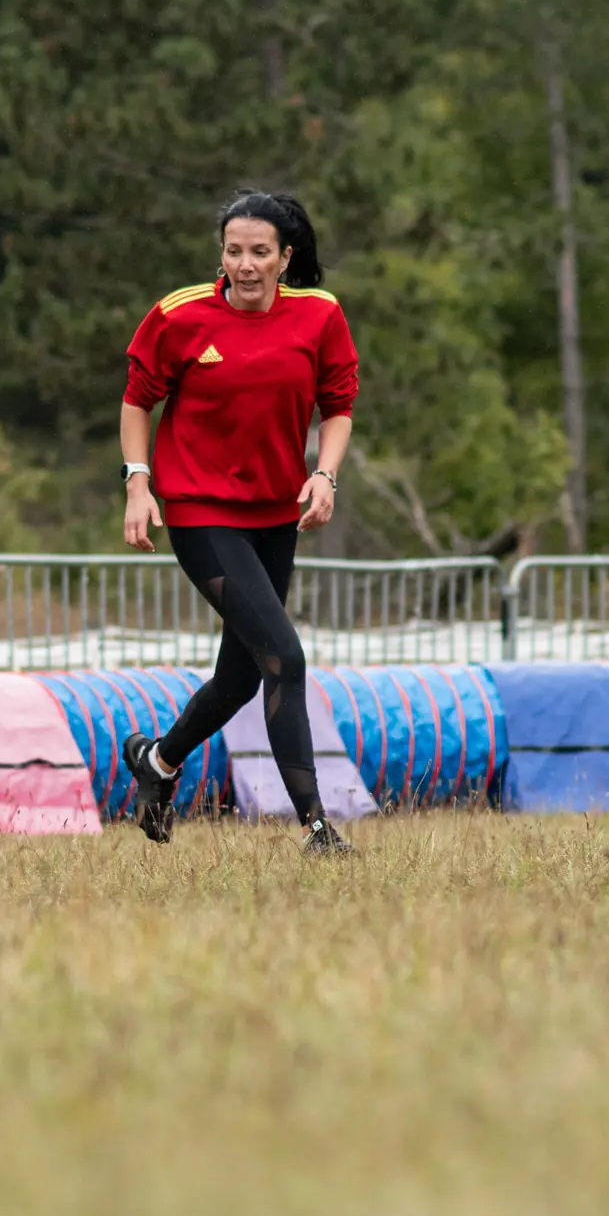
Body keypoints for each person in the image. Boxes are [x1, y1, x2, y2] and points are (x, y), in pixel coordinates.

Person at [117, 189, 357, 852]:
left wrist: (324, 474)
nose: (244, 265)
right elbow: (137, 403)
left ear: (286, 257)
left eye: (259, 252)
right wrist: (139, 485)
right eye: (233, 251)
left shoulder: (320, 317)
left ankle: (159, 762)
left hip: (276, 513)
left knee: (242, 675)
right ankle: (317, 826)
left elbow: (337, 405)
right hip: (199, 511)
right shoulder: (178, 316)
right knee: (285, 656)